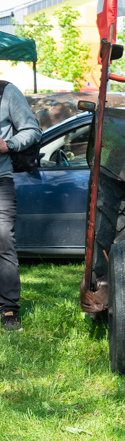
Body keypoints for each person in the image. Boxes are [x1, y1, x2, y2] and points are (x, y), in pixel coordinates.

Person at [0, 81, 41, 331]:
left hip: (0, 180)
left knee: (3, 239)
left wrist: (8, 145)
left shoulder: (6, 91)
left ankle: (8, 309)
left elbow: (31, 130)